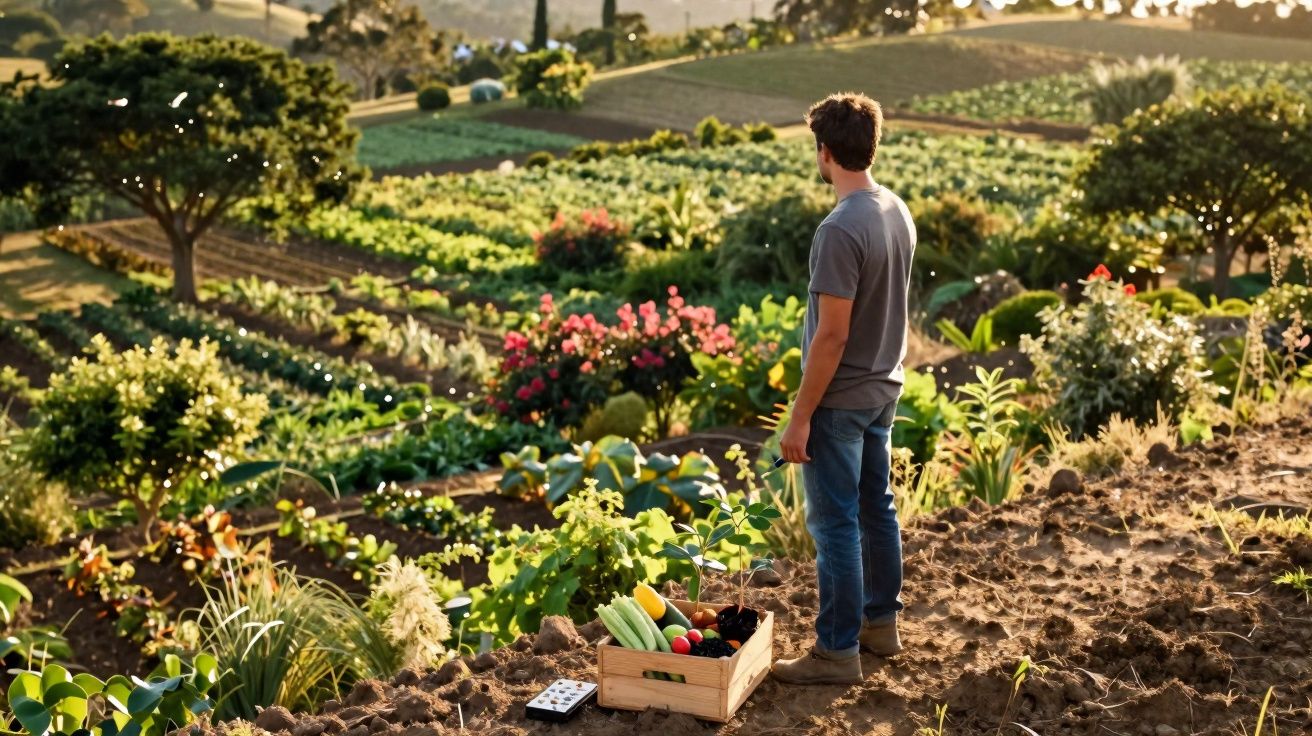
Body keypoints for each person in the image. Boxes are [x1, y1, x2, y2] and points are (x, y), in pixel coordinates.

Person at [770, 92, 916, 686]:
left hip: (841, 400)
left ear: (824, 152)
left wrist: (800, 416)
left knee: (834, 526)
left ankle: (835, 651)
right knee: (876, 509)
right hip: (884, 386)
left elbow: (831, 337)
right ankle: (881, 627)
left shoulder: (838, 229)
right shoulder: (894, 208)